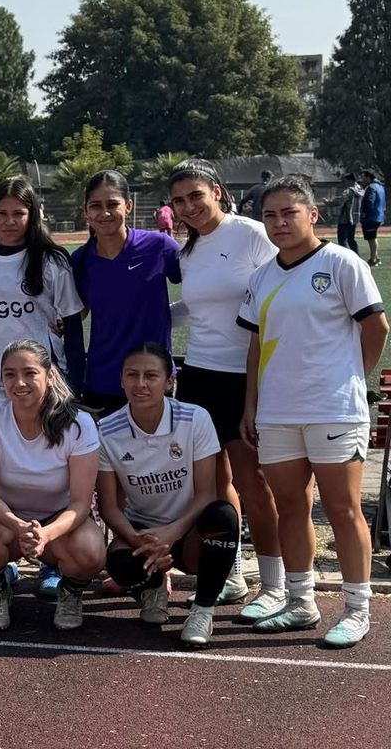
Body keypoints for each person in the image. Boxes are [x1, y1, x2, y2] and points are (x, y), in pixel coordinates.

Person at [239, 175, 388, 648]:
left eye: (289, 213)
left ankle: (357, 609)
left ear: (312, 214)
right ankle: (301, 602)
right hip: (277, 412)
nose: (279, 223)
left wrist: (350, 378)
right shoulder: (262, 275)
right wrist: (251, 405)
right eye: (270, 214)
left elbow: (376, 328)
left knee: (342, 510)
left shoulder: (341, 262)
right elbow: (256, 343)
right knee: (291, 506)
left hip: (333, 410)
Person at [166, 159, 282, 615]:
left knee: (254, 483)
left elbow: (281, 291)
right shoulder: (188, 250)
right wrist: (141, 318)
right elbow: (195, 309)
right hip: (197, 375)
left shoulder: (252, 234)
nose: (189, 206)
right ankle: (229, 570)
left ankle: (274, 583)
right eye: (179, 200)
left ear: (217, 191)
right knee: (214, 482)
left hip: (245, 376)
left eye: (196, 195)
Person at [97, 343, 239, 649]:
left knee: (223, 515)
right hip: (142, 532)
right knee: (120, 565)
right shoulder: (107, 430)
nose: (140, 384)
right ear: (121, 380)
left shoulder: (195, 418)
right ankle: (154, 586)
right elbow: (109, 508)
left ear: (169, 381)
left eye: (151, 376)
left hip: (187, 532)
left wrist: (170, 535)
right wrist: (142, 542)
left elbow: (207, 494)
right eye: (132, 375)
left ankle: (202, 611)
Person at [0, 340, 105, 631]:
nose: (19, 383)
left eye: (29, 373)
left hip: (59, 523)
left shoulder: (80, 424)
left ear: (49, 376)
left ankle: (71, 592)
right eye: (9, 375)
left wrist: (44, 534)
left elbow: (80, 503)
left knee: (91, 549)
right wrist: (20, 528)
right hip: (5, 520)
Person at [0, 178, 85, 408]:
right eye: (2, 213)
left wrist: (75, 386)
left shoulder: (52, 260)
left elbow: (72, 324)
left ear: (32, 215)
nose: (10, 221)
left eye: (18, 213)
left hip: (42, 382)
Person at [69, 170, 181, 414]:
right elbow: (79, 311)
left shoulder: (159, 247)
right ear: (86, 212)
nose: (104, 213)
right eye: (96, 206)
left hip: (153, 378)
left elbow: (199, 288)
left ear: (129, 205)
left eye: (112, 204)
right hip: (102, 380)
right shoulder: (80, 260)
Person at [359, 169, 384, 266]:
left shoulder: (371, 187)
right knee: (372, 237)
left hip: (371, 216)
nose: (362, 179)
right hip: (378, 215)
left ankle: (373, 259)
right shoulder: (380, 186)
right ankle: (376, 257)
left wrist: (364, 213)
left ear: (368, 177)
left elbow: (370, 201)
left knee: (371, 238)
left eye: (363, 177)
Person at [335, 176, 364, 256]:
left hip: (345, 218)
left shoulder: (348, 191)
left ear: (351, 180)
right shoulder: (360, 190)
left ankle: (346, 259)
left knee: (342, 241)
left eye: (346, 180)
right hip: (355, 218)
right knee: (351, 240)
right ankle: (357, 257)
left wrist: (329, 202)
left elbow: (340, 201)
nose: (345, 183)